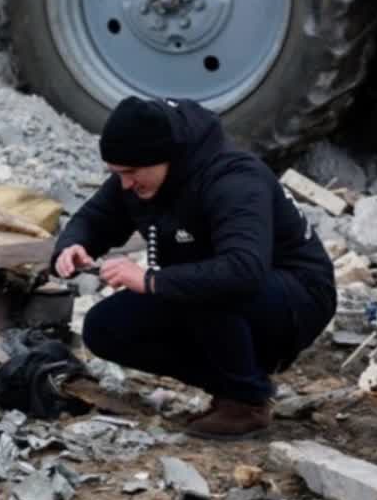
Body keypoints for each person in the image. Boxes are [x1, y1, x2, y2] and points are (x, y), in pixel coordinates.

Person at [53, 96, 335, 439]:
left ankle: (245, 403)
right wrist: (72, 247)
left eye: (130, 173)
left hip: (296, 296)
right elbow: (95, 217)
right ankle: (238, 382)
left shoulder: (233, 179)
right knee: (105, 327)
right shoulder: (141, 173)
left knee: (205, 288)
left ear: (164, 157)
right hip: (212, 290)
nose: (125, 184)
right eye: (117, 174)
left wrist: (150, 280)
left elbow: (243, 269)